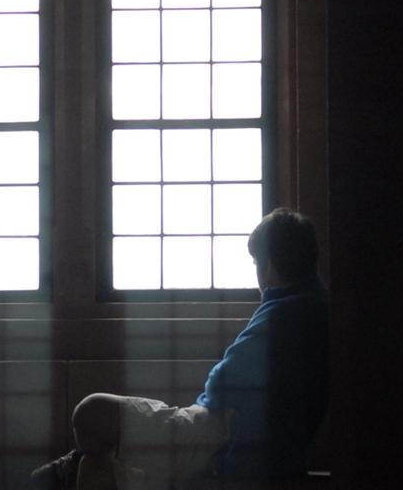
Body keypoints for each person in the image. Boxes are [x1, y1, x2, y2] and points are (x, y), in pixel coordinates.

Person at [30, 208, 329, 490]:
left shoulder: (284, 313)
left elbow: (222, 383)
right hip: (232, 436)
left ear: (270, 264)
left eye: (256, 264)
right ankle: (74, 468)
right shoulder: (312, 305)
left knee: (90, 412)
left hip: (216, 434)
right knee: (95, 468)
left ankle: (69, 470)